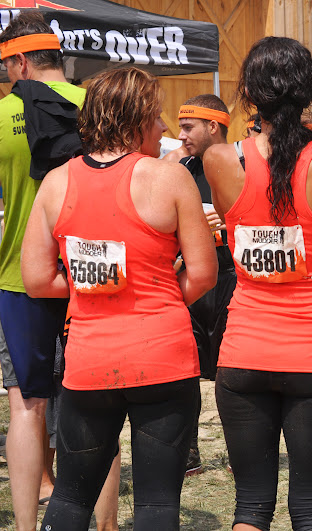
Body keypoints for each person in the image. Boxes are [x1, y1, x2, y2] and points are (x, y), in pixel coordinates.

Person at [21, 66, 217, 529]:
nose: (164, 128)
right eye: (156, 117)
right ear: (135, 120)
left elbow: (37, 280)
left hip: (89, 362)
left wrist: (91, 288)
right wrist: (154, 290)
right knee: (157, 504)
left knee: (71, 497)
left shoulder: (56, 183)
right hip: (163, 357)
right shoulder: (169, 179)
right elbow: (203, 274)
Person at [203, 37, 312, 530]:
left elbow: (237, 233)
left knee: (250, 507)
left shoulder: (219, 160)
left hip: (242, 352)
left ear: (249, 95)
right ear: (309, 91)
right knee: (310, 510)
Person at [0, 12, 85, 529]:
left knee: (26, 406)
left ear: (21, 62)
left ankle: (26, 526)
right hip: (90, 274)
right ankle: (104, 522)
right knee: (94, 401)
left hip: (17, 276)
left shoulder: (1, 113)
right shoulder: (97, 104)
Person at [167, 94, 237, 476]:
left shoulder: (243, 167)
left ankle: (240, 448)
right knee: (185, 372)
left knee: (232, 373)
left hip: (232, 278)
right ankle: (188, 450)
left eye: (187, 127)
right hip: (192, 281)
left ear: (213, 126)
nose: (180, 136)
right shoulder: (180, 170)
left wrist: (228, 220)